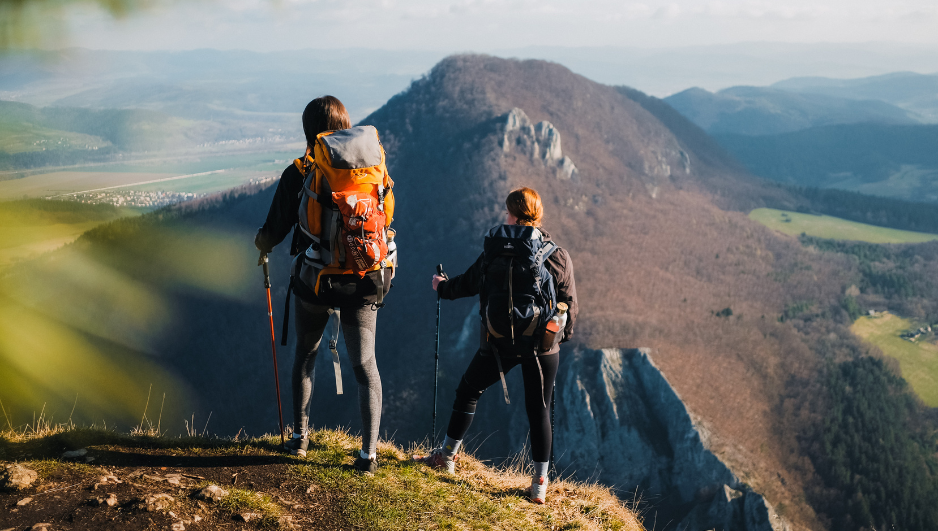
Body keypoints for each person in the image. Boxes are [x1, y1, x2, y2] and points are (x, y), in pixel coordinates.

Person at [254, 95, 391, 474]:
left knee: (307, 354)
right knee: (366, 365)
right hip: (365, 278)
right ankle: (368, 454)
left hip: (317, 279)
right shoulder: (372, 166)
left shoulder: (300, 170)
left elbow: (276, 229)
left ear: (307, 130)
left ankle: (299, 438)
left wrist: (262, 244)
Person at [418, 187, 577, 504]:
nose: (505, 217)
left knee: (467, 391)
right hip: (541, 348)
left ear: (515, 216)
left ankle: (447, 457)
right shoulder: (556, 256)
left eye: (508, 213)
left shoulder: (496, 250)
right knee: (539, 411)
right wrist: (560, 337)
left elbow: (468, 282)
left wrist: (442, 287)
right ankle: (539, 485)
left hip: (498, 342)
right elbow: (569, 306)